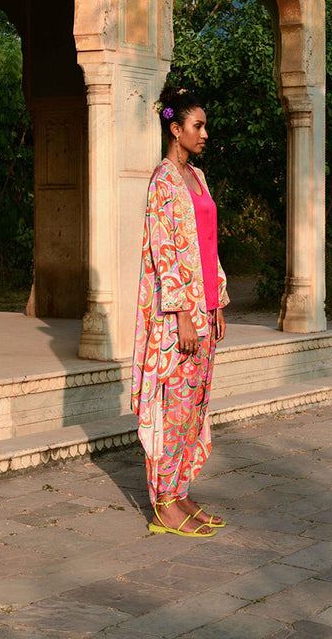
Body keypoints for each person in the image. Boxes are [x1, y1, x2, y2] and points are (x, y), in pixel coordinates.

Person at [131, 85, 229, 538]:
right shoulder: (163, 181)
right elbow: (163, 251)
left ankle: (182, 493)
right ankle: (163, 506)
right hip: (179, 318)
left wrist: (217, 301)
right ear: (175, 129)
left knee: (194, 407)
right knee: (173, 408)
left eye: (205, 126)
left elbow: (208, 243)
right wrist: (183, 314)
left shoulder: (198, 177)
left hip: (204, 309)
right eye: (197, 126)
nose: (205, 134)